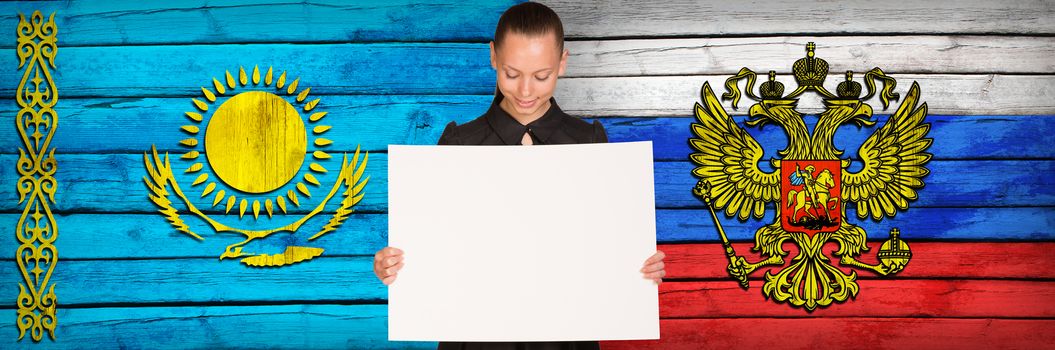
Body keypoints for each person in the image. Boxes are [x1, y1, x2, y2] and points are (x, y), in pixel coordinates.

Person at [373, 3, 666, 349]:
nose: (526, 91)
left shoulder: (589, 142)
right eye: (512, 73)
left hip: (566, 340)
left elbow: (607, 249)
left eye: (542, 76)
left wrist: (641, 268)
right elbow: (429, 249)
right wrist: (392, 266)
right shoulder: (458, 144)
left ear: (562, 64)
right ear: (493, 57)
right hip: (476, 340)